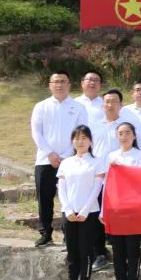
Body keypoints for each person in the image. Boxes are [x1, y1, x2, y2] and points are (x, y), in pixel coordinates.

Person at [31, 71, 88, 248]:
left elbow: (81, 133)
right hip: (45, 160)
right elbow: (36, 133)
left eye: (63, 81)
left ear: (69, 85)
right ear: (50, 85)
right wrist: (50, 153)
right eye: (55, 82)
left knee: (69, 198)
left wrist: (66, 155)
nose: (59, 85)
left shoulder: (78, 107)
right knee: (44, 198)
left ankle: (68, 234)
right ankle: (45, 233)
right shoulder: (41, 106)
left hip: (71, 160)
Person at [89, 88, 141, 270]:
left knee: (121, 218)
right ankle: (100, 254)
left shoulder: (126, 127)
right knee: (97, 215)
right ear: (102, 105)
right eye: (107, 101)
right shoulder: (94, 125)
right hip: (99, 177)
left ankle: (127, 256)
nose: (110, 105)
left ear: (121, 104)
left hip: (123, 183)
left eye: (114, 101)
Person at [101, 121, 141, 280]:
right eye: (120, 133)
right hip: (116, 209)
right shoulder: (111, 157)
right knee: (118, 249)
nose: (124, 136)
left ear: (134, 136)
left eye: (127, 132)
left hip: (134, 209)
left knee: (132, 249)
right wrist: (103, 210)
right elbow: (106, 185)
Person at [55, 125, 104, 280]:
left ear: (90, 141)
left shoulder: (97, 162)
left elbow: (97, 189)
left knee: (86, 250)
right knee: (72, 251)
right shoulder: (66, 163)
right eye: (76, 138)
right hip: (69, 212)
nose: (80, 142)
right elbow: (62, 188)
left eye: (84, 138)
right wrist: (67, 209)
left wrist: (84, 211)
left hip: (89, 212)